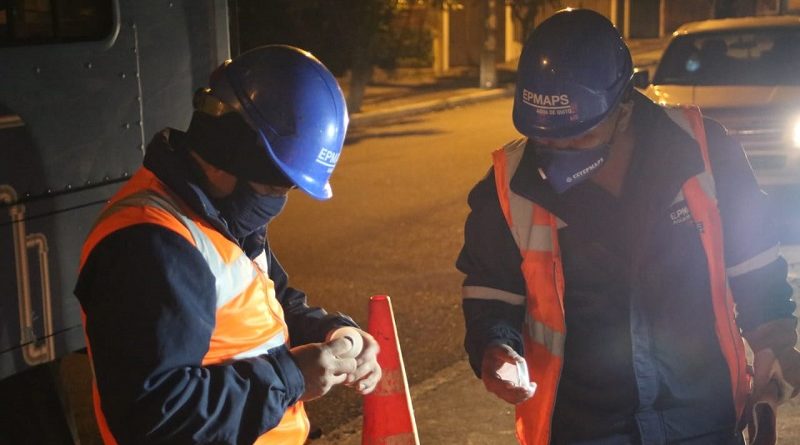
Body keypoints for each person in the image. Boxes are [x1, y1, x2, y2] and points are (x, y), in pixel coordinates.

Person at [457, 9, 799, 445]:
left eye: (579, 137)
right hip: (582, 430)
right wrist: (495, 349)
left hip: (704, 422)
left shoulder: (704, 154)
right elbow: (490, 298)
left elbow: (756, 270)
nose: (559, 152)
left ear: (623, 108)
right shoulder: (509, 186)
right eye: (546, 138)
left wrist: (775, 342)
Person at [74, 45, 381, 445]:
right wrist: (292, 376)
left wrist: (333, 332)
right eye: (276, 186)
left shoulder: (220, 216)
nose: (278, 200)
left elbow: (270, 303)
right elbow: (153, 418)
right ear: (228, 153)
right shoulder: (151, 245)